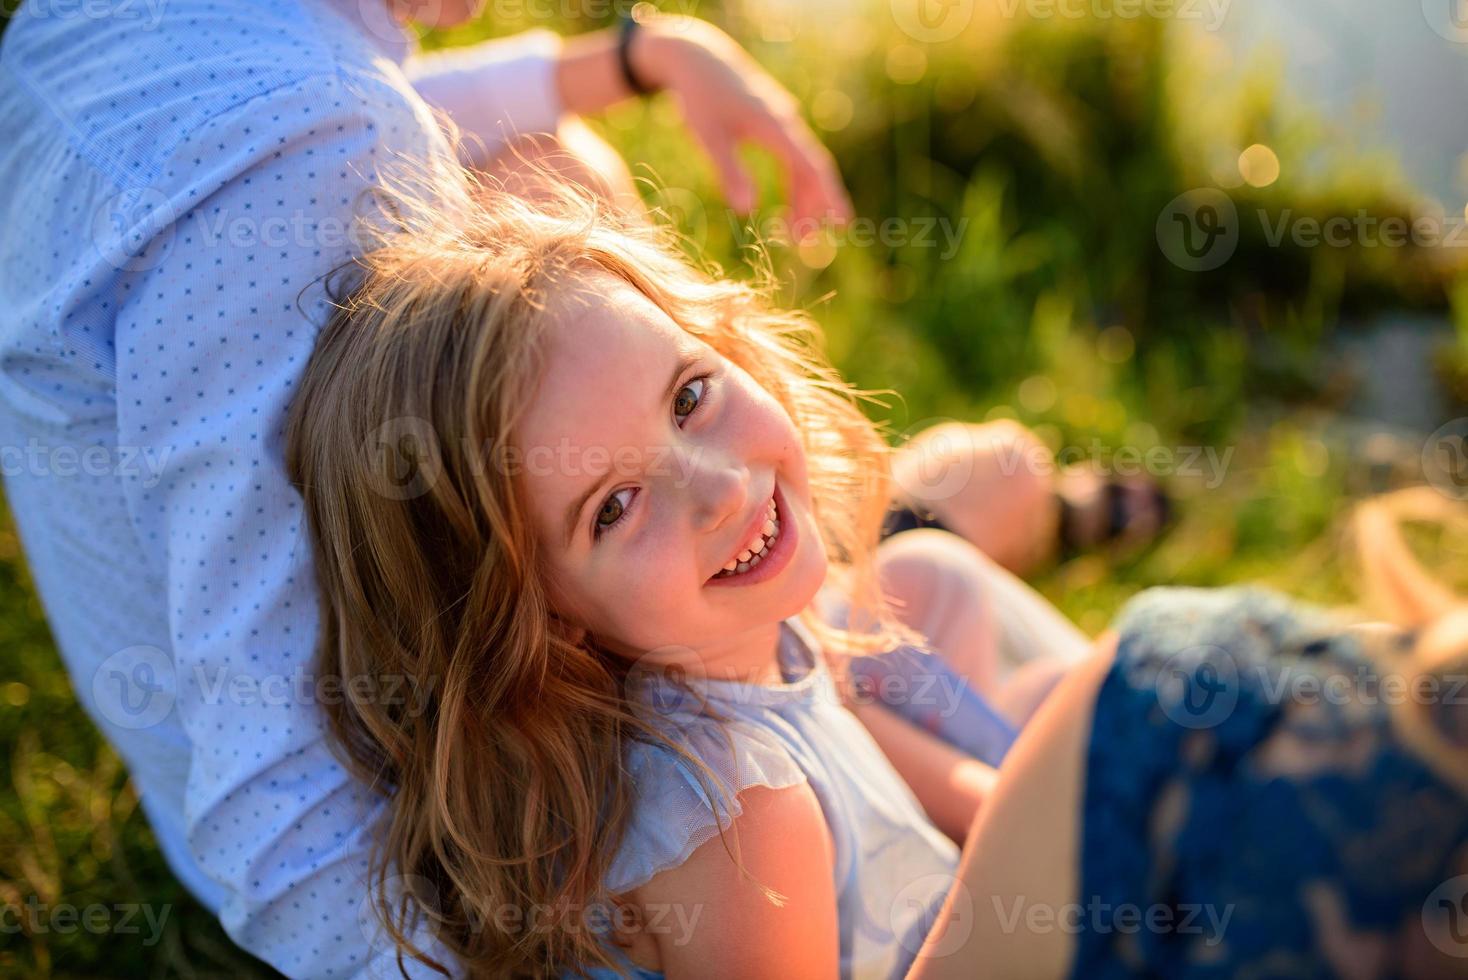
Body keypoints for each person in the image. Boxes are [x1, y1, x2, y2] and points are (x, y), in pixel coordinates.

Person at [286, 173, 1468, 978]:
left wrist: (1010, 789)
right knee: (1139, 706)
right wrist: (1041, 839)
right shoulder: (734, 816)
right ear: (535, 619)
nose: (717, 486)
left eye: (690, 394)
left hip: (936, 891)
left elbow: (846, 713)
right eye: (615, 504)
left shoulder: (747, 642)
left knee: (927, 579)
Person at [0, 0, 853, 974]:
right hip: (389, 863)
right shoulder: (284, 152)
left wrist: (632, 56)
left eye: (690, 394)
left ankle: (833, 594)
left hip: (208, 766)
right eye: (612, 504)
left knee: (547, 166)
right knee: (1035, 681)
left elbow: (337, 109)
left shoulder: (97, 31)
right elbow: (285, 822)